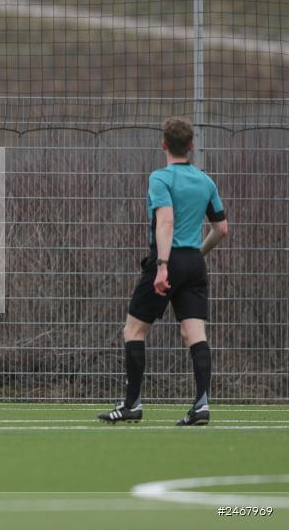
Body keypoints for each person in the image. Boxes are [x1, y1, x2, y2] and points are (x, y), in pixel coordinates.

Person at [98, 118, 228, 426]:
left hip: (166, 262)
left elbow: (166, 221)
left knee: (134, 331)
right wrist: (197, 254)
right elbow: (221, 228)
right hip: (194, 263)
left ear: (164, 145)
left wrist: (163, 266)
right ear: (192, 146)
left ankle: (132, 405)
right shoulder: (205, 181)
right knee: (194, 334)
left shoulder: (161, 178)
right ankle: (201, 406)